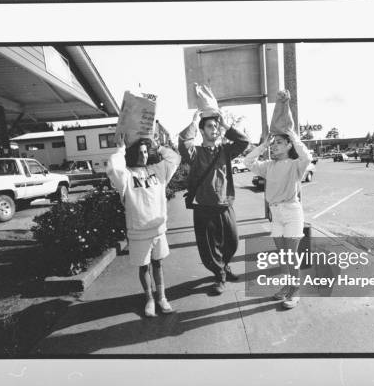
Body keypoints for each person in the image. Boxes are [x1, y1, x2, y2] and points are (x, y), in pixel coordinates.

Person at [244, 102, 312, 309]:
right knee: (284, 256)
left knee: (291, 255)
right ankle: (287, 286)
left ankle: (295, 291)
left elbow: (307, 156)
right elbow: (248, 161)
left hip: (292, 212)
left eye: (279, 143)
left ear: (289, 145)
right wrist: (263, 145)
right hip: (276, 214)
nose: (274, 146)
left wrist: (293, 136)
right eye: (273, 144)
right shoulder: (268, 166)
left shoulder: (295, 165)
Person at [106, 130, 181, 317]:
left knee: (158, 264)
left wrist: (157, 144)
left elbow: (175, 158)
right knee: (144, 266)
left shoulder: (158, 171)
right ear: (132, 155)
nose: (143, 155)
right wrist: (121, 149)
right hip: (139, 232)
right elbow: (113, 168)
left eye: (146, 151)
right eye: (139, 152)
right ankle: (149, 298)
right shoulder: (125, 177)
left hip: (158, 230)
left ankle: (162, 297)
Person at [178, 110, 249, 294]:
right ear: (202, 131)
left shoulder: (225, 151)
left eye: (216, 126)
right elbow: (184, 143)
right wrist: (194, 122)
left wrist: (225, 125)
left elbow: (244, 142)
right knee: (209, 247)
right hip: (203, 207)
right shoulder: (196, 153)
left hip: (225, 204)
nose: (215, 129)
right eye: (210, 126)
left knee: (232, 241)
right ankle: (219, 276)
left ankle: (224, 266)